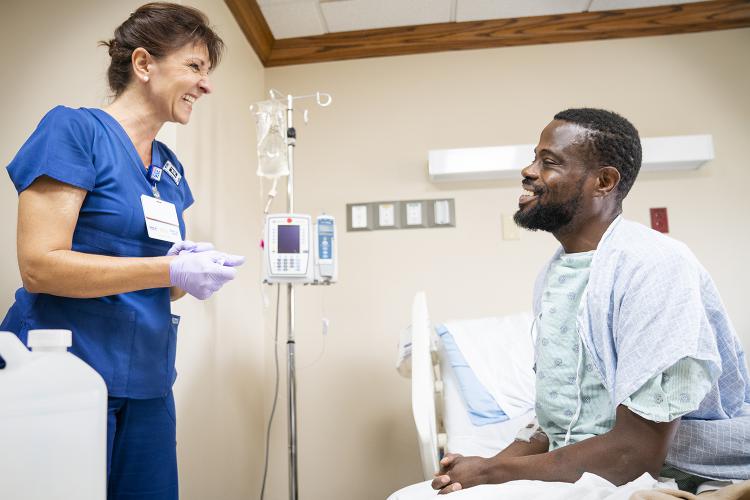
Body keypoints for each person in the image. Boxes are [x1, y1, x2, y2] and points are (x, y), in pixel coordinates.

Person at [389, 108, 749, 499]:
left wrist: (495, 472)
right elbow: (555, 416)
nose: (528, 171)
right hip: (582, 467)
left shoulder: (654, 266)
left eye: (549, 162)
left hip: (661, 473)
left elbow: (636, 453)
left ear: (604, 181)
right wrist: (478, 468)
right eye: (533, 158)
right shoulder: (554, 274)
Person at [1, 3, 244, 499]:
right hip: (63, 372)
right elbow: (39, 266)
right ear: (143, 64)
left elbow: (159, 285)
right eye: (195, 67)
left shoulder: (170, 167)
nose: (206, 84)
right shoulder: (75, 131)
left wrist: (188, 275)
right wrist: (168, 266)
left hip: (148, 382)